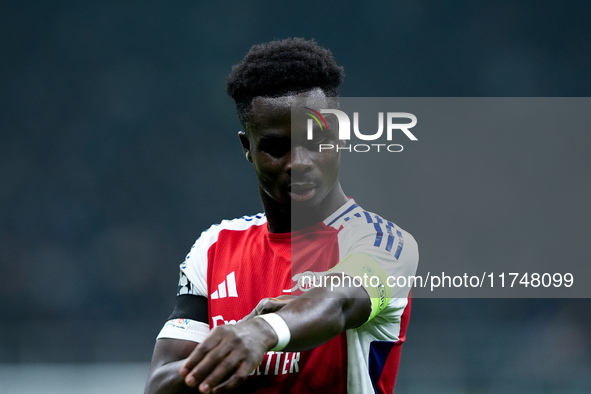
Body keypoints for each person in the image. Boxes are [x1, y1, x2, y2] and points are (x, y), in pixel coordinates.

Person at [145, 38, 419, 394]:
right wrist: (229, 351)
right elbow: (159, 383)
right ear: (248, 148)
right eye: (276, 147)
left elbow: (339, 302)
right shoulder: (213, 248)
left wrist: (262, 332)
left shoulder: (384, 242)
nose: (298, 162)